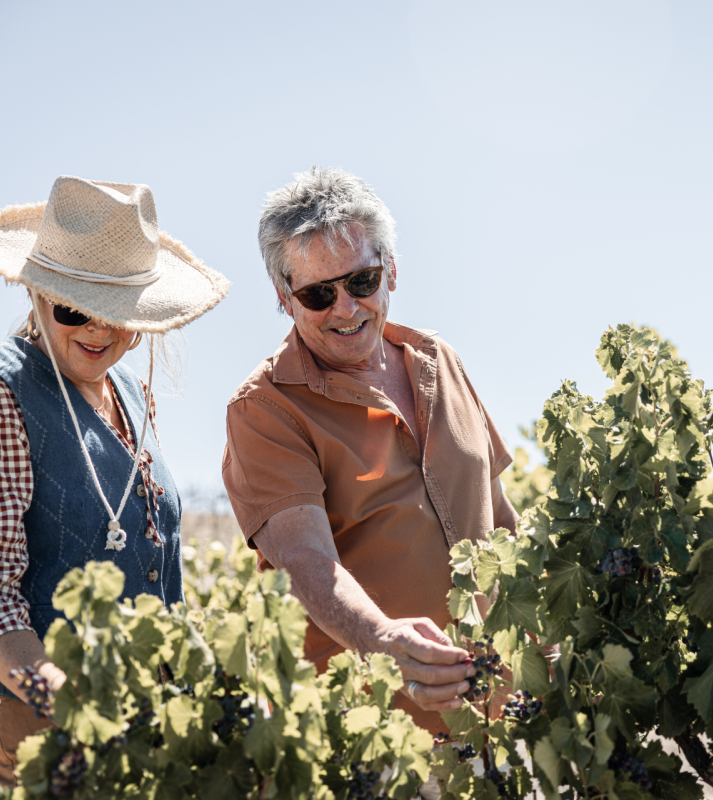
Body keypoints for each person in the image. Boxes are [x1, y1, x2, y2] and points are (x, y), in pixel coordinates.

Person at [0, 175, 229, 785]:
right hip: (41, 733)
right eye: (74, 308)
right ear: (36, 292)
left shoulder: (135, 398)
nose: (97, 329)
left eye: (118, 313)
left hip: (142, 728)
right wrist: (74, 708)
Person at [222, 167, 518, 736]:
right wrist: (382, 638)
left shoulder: (442, 361)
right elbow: (305, 561)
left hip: (497, 720)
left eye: (361, 281)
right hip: (376, 740)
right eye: (317, 294)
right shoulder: (264, 410)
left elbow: (499, 517)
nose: (344, 308)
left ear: (391, 274)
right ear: (285, 299)